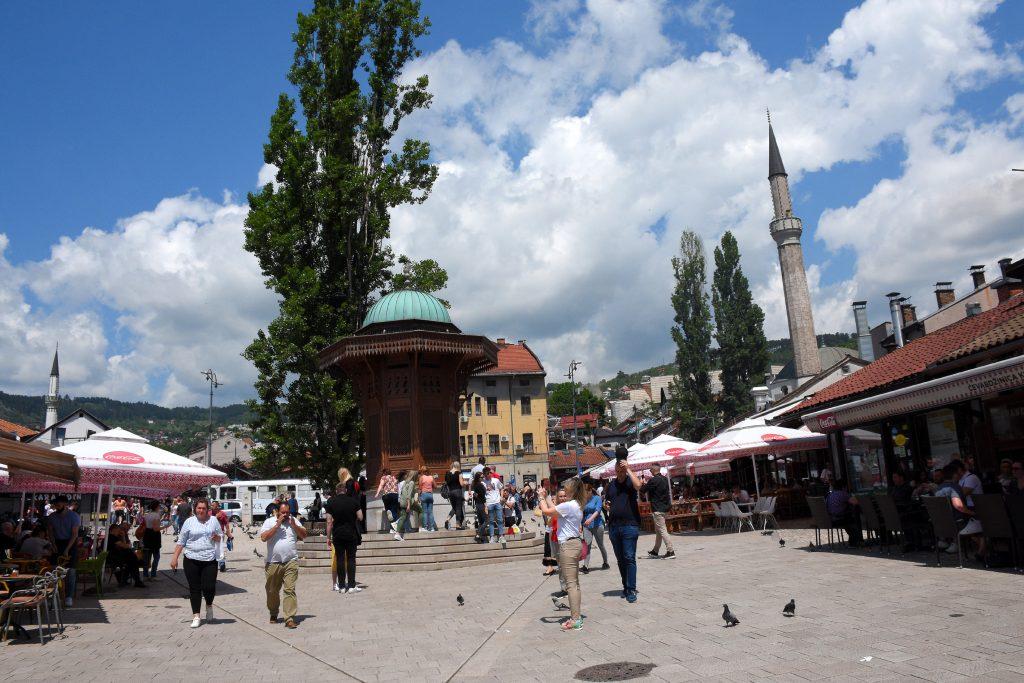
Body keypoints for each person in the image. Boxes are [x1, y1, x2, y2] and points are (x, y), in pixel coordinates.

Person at [538, 478, 587, 631]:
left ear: (572, 490)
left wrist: (540, 497)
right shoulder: (575, 505)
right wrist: (547, 497)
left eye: (566, 488)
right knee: (575, 584)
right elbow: (556, 509)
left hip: (568, 546)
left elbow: (546, 512)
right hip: (575, 544)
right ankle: (576, 616)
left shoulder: (569, 505)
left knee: (571, 585)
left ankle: (575, 619)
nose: (564, 491)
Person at [169, 500, 223, 628]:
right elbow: (181, 541)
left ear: (207, 509)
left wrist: (217, 537)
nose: (201, 510)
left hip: (209, 559)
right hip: (191, 559)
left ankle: (209, 605)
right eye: (199, 508)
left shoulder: (213, 520)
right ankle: (196, 616)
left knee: (209, 587)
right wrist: (174, 558)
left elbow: (220, 536)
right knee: (195, 588)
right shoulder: (189, 522)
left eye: (203, 508)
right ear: (195, 509)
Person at [260, 497, 308, 628]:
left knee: (289, 589)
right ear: (277, 512)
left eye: (287, 512)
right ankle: (273, 612)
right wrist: (277, 525)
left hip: (290, 561)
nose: (285, 515)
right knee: (272, 591)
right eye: (283, 513)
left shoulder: (294, 521)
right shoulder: (269, 522)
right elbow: (263, 538)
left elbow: (304, 535)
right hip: (273, 563)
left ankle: (289, 618)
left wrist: (293, 525)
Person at [606, 448, 642, 603]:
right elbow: (607, 502)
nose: (620, 472)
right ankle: (625, 586)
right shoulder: (611, 485)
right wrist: (606, 505)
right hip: (614, 527)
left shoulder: (630, 481)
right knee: (621, 559)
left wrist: (628, 468)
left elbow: (639, 486)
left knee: (629, 557)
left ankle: (631, 588)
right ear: (615, 470)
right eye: (618, 469)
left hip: (630, 525)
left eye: (622, 469)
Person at [325, 468, 363, 594]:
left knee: (340, 559)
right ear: (346, 490)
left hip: (338, 535)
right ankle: (352, 586)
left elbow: (329, 522)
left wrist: (328, 537)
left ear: (336, 491)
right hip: (351, 534)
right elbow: (360, 517)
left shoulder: (330, 502)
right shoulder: (353, 501)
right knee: (351, 559)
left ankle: (341, 586)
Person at [46, 494, 80, 607]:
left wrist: (67, 549)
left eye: (58, 504)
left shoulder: (74, 516)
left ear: (65, 504)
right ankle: (53, 595)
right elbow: (50, 531)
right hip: (57, 542)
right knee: (54, 570)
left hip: (70, 542)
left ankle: (69, 596)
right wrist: (53, 544)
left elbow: (75, 534)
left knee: (70, 571)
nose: (56, 506)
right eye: (55, 505)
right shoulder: (52, 516)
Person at [642, 465, 676, 560]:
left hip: (657, 509)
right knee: (658, 531)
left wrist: (642, 483)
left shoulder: (653, 480)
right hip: (665, 508)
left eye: (650, 469)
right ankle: (655, 551)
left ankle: (670, 551)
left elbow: (642, 490)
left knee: (662, 530)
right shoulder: (665, 479)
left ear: (653, 470)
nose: (650, 470)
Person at [581, 479, 609, 573]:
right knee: (587, 545)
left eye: (586, 492)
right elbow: (580, 512)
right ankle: (586, 566)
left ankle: (605, 562)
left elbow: (597, 511)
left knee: (600, 544)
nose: (584, 494)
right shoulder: (583, 500)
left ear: (590, 491)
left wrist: (590, 519)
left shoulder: (597, 498)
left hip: (597, 525)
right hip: (586, 526)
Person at [825, 479, 863, 547]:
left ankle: (854, 540)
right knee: (852, 519)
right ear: (844, 487)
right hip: (839, 518)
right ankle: (856, 541)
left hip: (831, 519)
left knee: (849, 519)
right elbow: (855, 502)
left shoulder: (830, 495)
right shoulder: (843, 494)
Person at [107, 524, 146, 588]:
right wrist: (127, 545)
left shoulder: (113, 537)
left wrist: (123, 537)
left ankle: (127, 579)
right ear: (113, 530)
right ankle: (136, 580)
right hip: (113, 558)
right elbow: (125, 546)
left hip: (117, 557)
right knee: (133, 561)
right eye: (118, 530)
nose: (119, 532)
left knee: (131, 561)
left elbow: (125, 546)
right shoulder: (111, 537)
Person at [139, 500, 168, 580]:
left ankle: (145, 575)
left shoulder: (147, 515)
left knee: (147, 556)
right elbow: (156, 528)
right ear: (156, 507)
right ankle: (153, 575)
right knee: (156, 556)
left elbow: (149, 525)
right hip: (154, 536)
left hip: (147, 534)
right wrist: (166, 526)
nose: (160, 507)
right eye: (159, 506)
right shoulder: (156, 515)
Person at [393, 471, 422, 541]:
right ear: (414, 476)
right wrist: (409, 505)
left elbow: (403, 492)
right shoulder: (411, 483)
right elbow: (408, 494)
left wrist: (416, 492)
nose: (418, 477)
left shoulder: (405, 482)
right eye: (417, 476)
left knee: (403, 517)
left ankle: (397, 534)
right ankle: (421, 528)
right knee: (421, 510)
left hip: (402, 502)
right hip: (408, 502)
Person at [482, 467, 505, 543]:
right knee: (491, 521)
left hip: (497, 502)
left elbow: (501, 488)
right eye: (485, 475)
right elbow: (482, 495)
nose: (486, 476)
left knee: (500, 520)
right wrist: (485, 505)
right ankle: (492, 537)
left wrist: (501, 497)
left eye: (487, 474)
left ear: (490, 473)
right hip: (489, 503)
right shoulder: (483, 483)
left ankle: (501, 536)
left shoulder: (496, 480)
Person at [211, 500, 233, 572]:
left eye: (213, 505)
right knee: (212, 548)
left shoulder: (222, 514)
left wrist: (228, 532)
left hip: (220, 534)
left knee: (220, 548)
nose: (211, 507)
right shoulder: (209, 513)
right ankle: (212, 563)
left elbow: (226, 523)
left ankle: (222, 564)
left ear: (217, 506)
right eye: (211, 505)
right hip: (211, 534)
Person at [444, 461, 466, 530]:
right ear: (458, 466)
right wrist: (465, 482)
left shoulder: (447, 473)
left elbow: (447, 484)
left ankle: (447, 519)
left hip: (450, 492)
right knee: (458, 508)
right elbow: (461, 484)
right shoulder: (459, 473)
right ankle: (457, 524)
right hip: (457, 492)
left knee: (454, 508)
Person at [418, 466, 438, 532]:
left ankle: (425, 527)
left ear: (422, 471)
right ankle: (432, 527)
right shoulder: (431, 477)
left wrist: (418, 496)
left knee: (425, 512)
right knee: (430, 512)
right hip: (430, 495)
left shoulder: (421, 478)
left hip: (424, 494)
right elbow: (435, 486)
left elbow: (420, 488)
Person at [471, 471, 488, 543]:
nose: (483, 478)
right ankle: (478, 535)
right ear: (478, 478)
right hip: (481, 504)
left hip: (477, 504)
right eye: (481, 477)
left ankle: (481, 538)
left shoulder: (474, 484)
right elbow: (482, 497)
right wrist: (486, 506)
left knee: (481, 522)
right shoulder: (480, 485)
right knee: (486, 520)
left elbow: (476, 495)